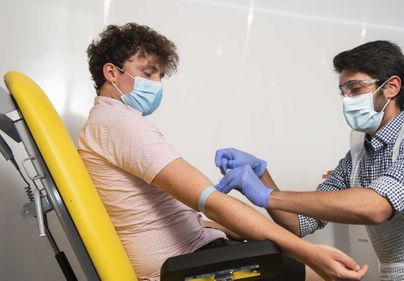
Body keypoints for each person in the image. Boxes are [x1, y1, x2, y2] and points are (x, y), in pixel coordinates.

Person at [78, 23, 368, 281]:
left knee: (283, 251)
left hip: (192, 250)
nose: (155, 84)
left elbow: (160, 211)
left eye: (159, 76)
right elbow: (211, 201)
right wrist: (311, 254)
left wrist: (220, 227)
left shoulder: (105, 123)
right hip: (183, 264)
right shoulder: (121, 125)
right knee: (321, 273)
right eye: (147, 73)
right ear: (111, 72)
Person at [214, 40, 404, 280]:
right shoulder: (357, 156)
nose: (346, 99)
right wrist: (262, 174)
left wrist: (267, 196)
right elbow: (299, 224)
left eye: (355, 89)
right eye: (343, 91)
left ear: (391, 87)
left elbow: (377, 206)